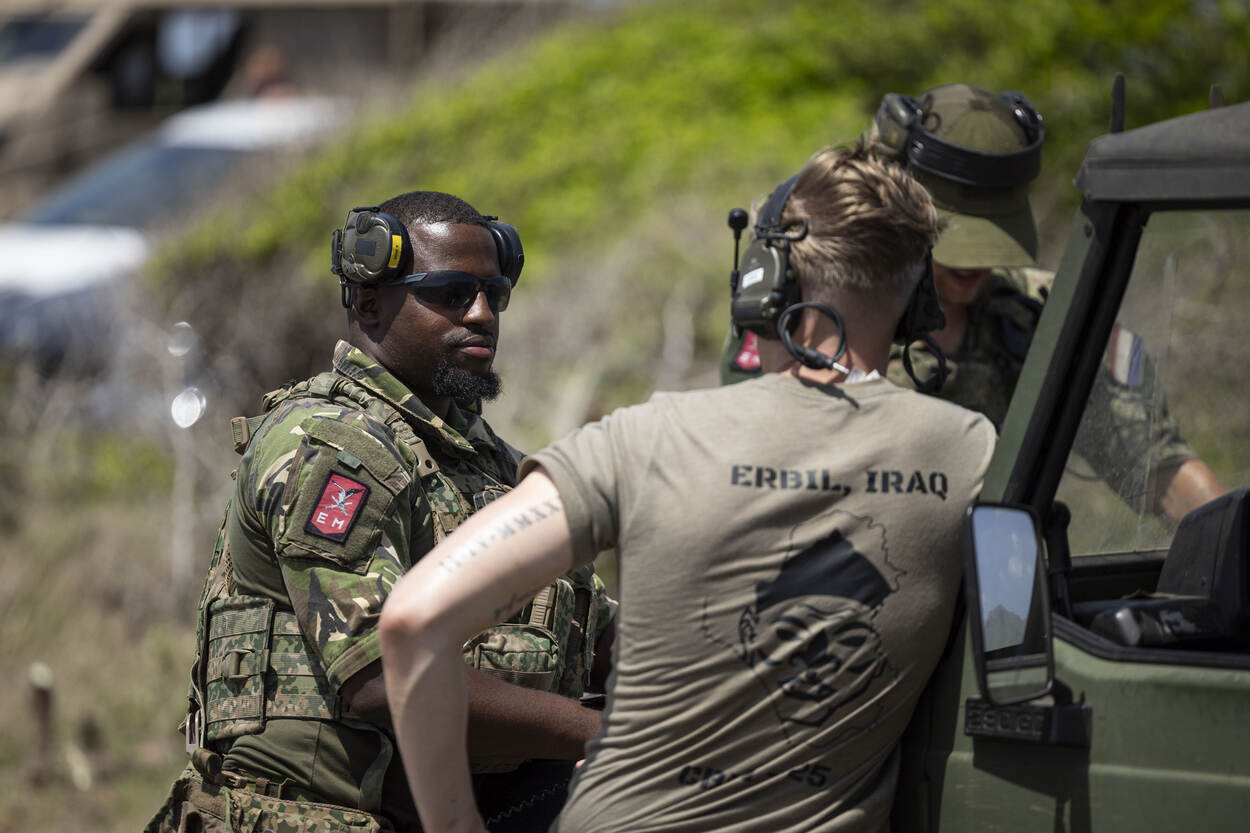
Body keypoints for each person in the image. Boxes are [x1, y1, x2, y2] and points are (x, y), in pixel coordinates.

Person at [379, 143, 997, 833]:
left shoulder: (647, 438)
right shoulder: (969, 451)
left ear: (764, 284)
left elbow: (412, 620)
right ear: (917, 301)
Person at [145, 191, 615, 833]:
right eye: (451, 294)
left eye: (494, 295)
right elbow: (381, 676)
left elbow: (598, 640)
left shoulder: (488, 466)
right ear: (369, 301)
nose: (482, 315)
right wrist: (606, 734)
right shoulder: (333, 447)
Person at [721, 83, 1223, 523]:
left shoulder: (1045, 315)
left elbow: (1159, 468)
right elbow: (760, 470)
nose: (973, 266)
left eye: (995, 236)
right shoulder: (801, 310)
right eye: (956, 239)